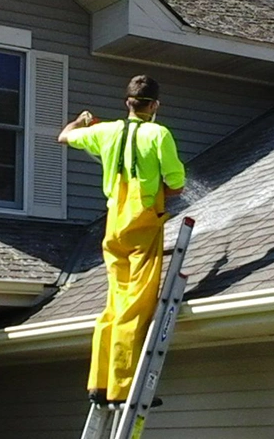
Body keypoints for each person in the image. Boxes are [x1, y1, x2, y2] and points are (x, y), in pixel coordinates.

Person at [58, 75, 186, 407]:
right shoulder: (159, 134)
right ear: (154, 106)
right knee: (136, 304)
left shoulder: (106, 131)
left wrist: (82, 120)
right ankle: (123, 387)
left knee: (115, 300)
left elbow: (65, 136)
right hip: (143, 222)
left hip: (113, 224)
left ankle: (98, 383)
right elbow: (177, 183)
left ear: (127, 103)